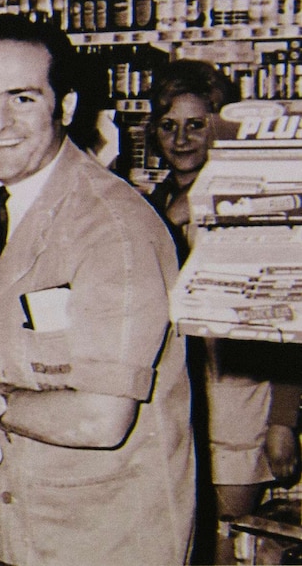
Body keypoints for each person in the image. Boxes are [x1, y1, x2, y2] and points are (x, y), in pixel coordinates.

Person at [0, 14, 195, 565]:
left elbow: (100, 419)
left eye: (22, 98)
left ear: (65, 106)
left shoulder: (115, 229)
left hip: (108, 539)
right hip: (5, 528)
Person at [148, 58, 302, 564]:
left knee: (225, 547)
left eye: (197, 125)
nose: (182, 139)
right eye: (169, 126)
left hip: (237, 410)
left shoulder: (250, 206)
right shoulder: (151, 205)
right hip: (172, 407)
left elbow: (286, 319)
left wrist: (283, 420)